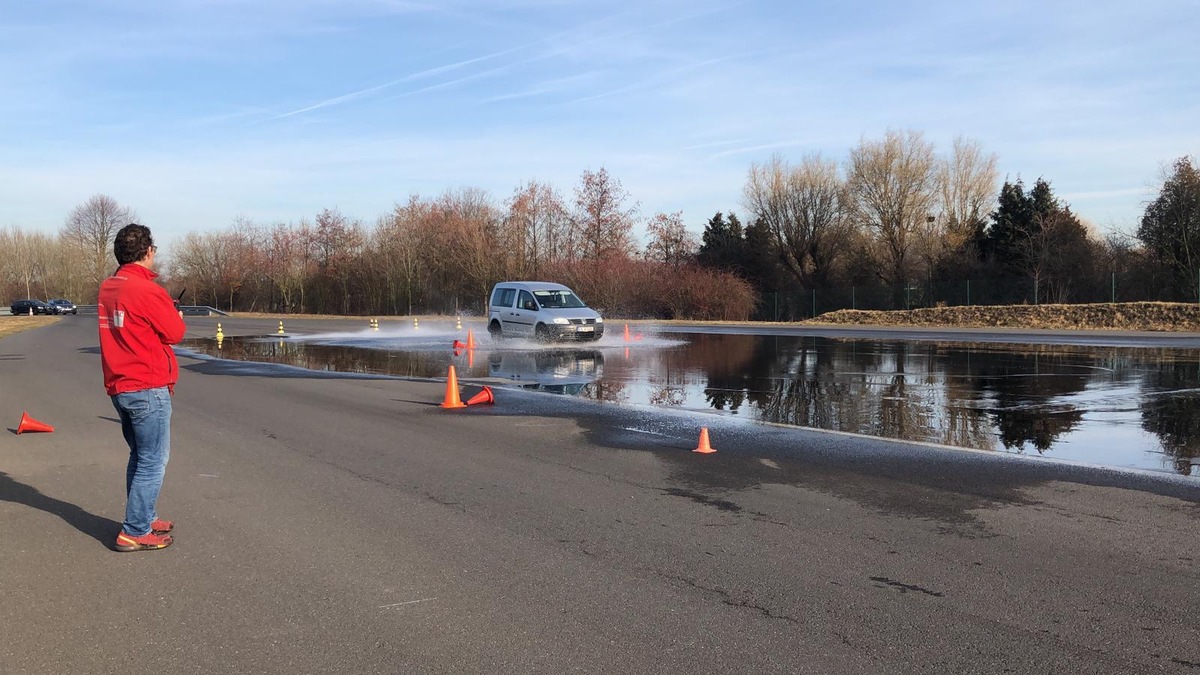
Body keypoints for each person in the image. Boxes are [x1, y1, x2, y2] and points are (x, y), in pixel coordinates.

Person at [98, 224, 186, 552]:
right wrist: (171, 310)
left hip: (120, 385)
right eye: (154, 250)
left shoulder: (110, 286)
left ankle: (145, 517)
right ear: (148, 251)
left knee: (139, 455)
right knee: (153, 460)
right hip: (147, 385)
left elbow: (137, 324)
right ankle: (134, 530)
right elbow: (175, 332)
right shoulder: (147, 291)